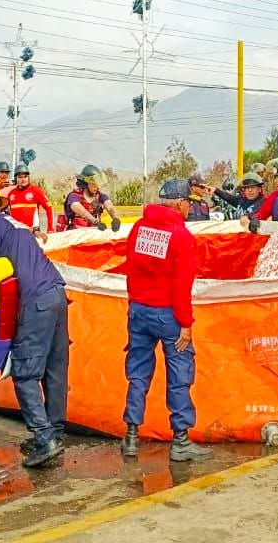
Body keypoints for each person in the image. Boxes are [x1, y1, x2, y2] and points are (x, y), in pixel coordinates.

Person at [0, 185, 70, 468]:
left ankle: (44, 437)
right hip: (58, 294)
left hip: (35, 301)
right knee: (54, 368)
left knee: (25, 373)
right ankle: (56, 431)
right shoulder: (17, 225)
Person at [120, 179, 213, 462]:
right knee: (179, 376)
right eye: (189, 203)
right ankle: (181, 440)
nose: (189, 209)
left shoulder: (139, 228)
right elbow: (181, 284)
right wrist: (186, 323)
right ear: (181, 202)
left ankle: (131, 436)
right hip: (168, 315)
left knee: (137, 373)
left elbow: (131, 267)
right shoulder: (181, 236)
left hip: (139, 311)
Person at [5, 163, 55, 236]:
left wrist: (50, 229)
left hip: (33, 232)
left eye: (25, 177)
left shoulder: (36, 191)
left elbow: (49, 208)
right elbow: (6, 213)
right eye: (20, 177)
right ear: (16, 178)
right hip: (16, 232)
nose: (23, 179)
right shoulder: (11, 194)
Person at [66, 164, 120, 231]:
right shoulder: (73, 197)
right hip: (75, 235)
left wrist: (116, 219)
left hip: (92, 234)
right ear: (86, 183)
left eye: (98, 184)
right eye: (94, 184)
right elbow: (79, 210)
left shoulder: (101, 196)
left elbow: (109, 206)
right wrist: (95, 222)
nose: (97, 187)